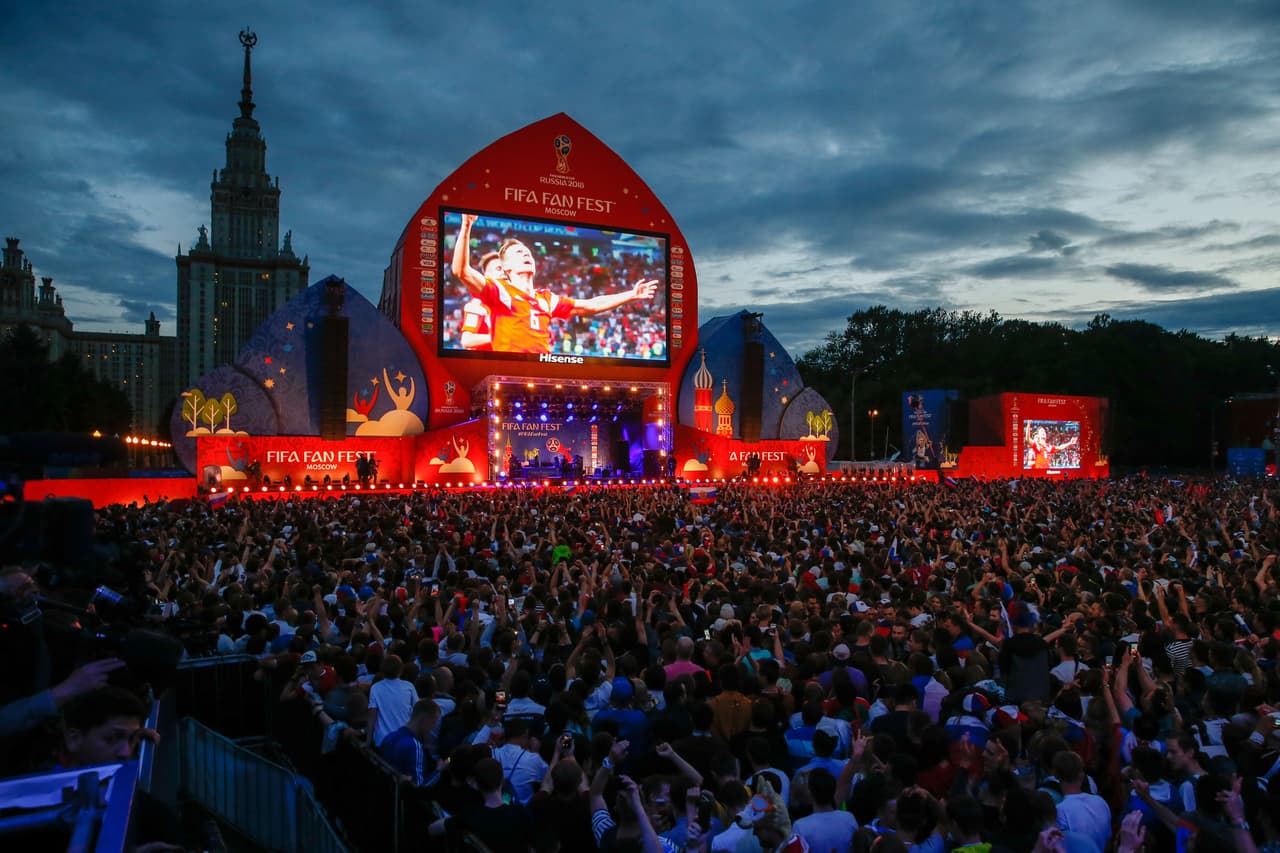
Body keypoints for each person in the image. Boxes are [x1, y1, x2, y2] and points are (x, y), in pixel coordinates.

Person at [450, 213, 658, 354]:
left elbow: (590, 305)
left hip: (542, 370)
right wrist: (466, 225)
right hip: (509, 372)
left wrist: (631, 295)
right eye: (518, 253)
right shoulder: (500, 291)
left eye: (527, 252)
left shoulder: (546, 299)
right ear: (507, 268)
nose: (525, 254)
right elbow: (461, 271)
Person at [379, 698, 441, 786]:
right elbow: (418, 789)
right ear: (424, 719)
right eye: (433, 722)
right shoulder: (414, 746)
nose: (433, 728)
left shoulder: (389, 737)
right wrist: (438, 771)